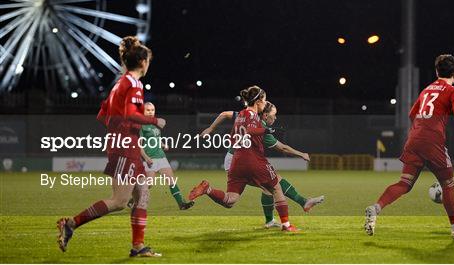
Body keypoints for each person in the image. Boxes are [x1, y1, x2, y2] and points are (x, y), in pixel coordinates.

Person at [56, 36, 164, 257]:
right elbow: (131, 114)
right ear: (143, 62)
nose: (149, 64)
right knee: (119, 201)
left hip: (125, 145)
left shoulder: (120, 83)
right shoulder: (133, 83)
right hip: (125, 147)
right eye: (149, 60)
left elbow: (102, 115)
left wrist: (118, 131)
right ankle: (70, 224)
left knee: (142, 193)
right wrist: (153, 121)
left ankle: (138, 246)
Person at [364, 54, 454, 240]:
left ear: (437, 72)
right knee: (448, 184)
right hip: (432, 142)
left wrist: (421, 129)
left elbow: (411, 114)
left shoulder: (426, 90)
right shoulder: (453, 90)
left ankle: (375, 208)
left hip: (414, 140)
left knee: (404, 183)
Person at [189, 86, 299, 232]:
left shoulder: (240, 114)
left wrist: (211, 128)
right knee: (276, 187)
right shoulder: (252, 115)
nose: (266, 104)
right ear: (258, 101)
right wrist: (268, 130)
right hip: (251, 158)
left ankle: (207, 189)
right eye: (265, 100)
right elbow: (250, 130)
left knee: (230, 200)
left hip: (237, 160)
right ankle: (286, 225)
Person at [201, 101, 324, 228]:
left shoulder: (246, 115)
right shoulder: (261, 129)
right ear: (265, 116)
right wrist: (302, 154)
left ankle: (272, 219)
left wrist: (210, 128)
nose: (275, 118)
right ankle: (294, 213)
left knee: (260, 189)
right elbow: (283, 148)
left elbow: (225, 114)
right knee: (273, 184)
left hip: (233, 158)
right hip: (240, 161)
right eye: (273, 115)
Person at [138, 102, 194, 210]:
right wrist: (145, 157)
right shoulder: (141, 126)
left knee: (171, 181)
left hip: (161, 157)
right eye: (148, 110)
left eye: (152, 110)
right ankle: (134, 199)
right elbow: (138, 144)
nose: (150, 112)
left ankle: (181, 204)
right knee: (149, 184)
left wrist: (163, 145)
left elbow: (155, 139)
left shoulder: (154, 124)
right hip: (150, 158)